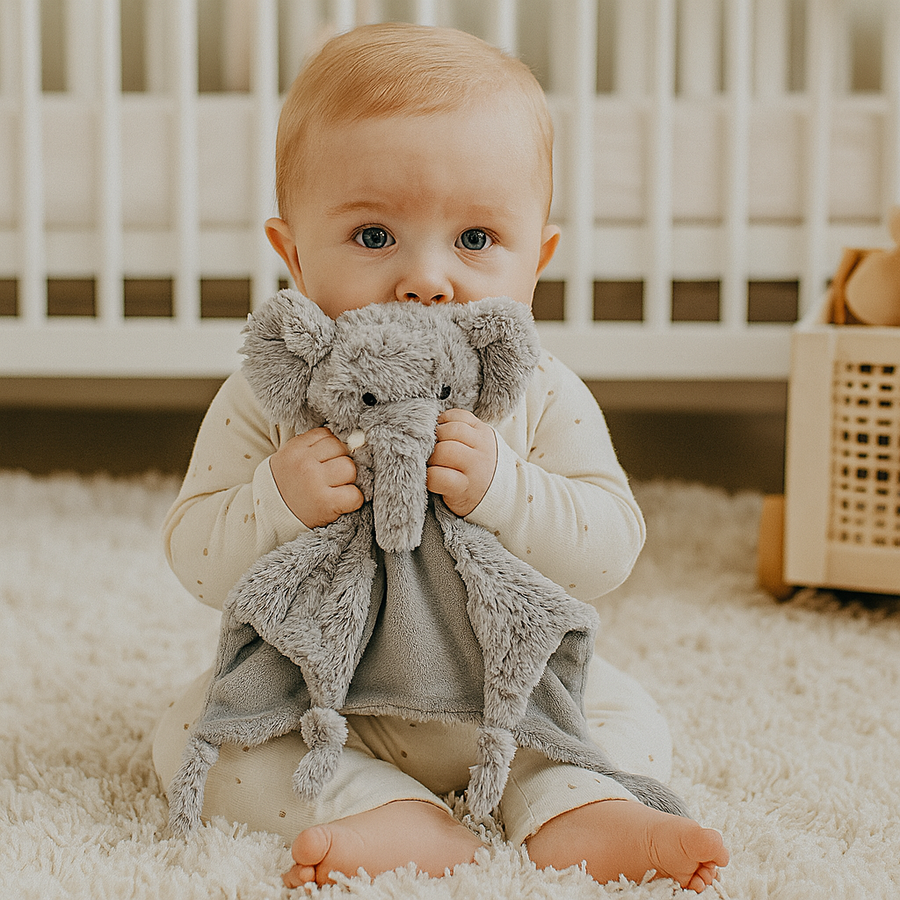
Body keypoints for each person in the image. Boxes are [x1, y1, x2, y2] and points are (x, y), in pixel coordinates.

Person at [153, 22, 729, 893]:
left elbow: (611, 543)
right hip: (325, 701)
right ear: (294, 255)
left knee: (621, 708)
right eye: (375, 237)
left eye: (474, 240)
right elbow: (195, 552)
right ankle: (384, 812)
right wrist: (277, 500)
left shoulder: (537, 387)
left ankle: (572, 804)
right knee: (194, 730)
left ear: (536, 262)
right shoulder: (271, 392)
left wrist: (506, 488)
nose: (428, 279)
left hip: (509, 691)